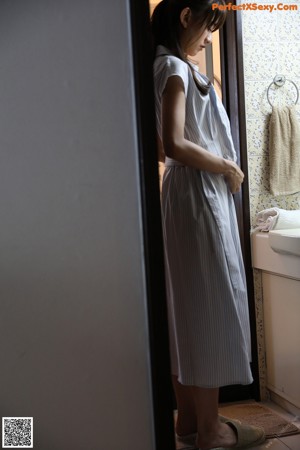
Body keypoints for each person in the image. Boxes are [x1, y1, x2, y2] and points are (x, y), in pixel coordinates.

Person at [151, 1, 266, 449]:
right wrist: (227, 168)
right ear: (186, 16)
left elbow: (163, 146)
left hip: (183, 196)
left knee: (186, 305)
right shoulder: (176, 70)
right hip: (199, 196)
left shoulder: (162, 67)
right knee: (212, 303)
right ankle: (212, 431)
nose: (209, 38)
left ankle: (187, 422)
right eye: (208, 27)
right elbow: (176, 144)